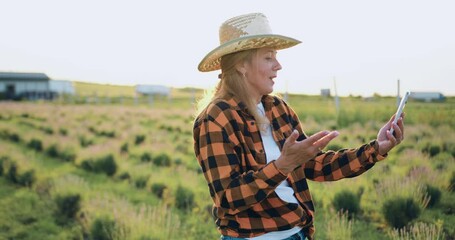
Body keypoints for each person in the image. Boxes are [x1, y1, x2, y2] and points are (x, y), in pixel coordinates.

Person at [193, 13, 404, 240]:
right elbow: (228, 197)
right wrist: (283, 165)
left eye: (276, 57)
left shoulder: (277, 108)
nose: (278, 65)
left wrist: (377, 148)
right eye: (268, 58)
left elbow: (315, 166)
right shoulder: (215, 118)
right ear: (242, 65)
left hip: (299, 233)